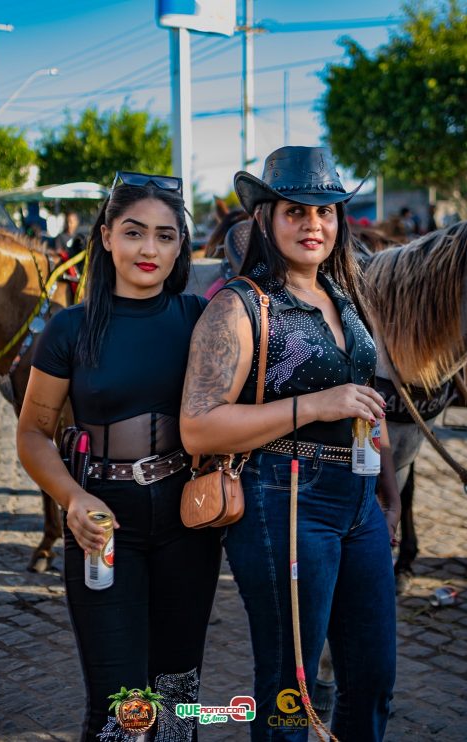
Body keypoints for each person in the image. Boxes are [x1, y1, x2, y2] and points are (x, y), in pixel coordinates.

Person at [180, 146, 400, 741]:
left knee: (374, 676)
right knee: (289, 689)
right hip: (284, 497)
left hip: (360, 503)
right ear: (266, 219)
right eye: (296, 211)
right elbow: (198, 426)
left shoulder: (346, 298)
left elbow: (362, 402)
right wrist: (314, 406)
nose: (314, 224)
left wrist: (388, 490)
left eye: (326, 212)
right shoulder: (241, 306)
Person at [17, 172, 222, 741]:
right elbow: (32, 433)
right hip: (104, 527)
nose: (148, 249)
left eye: (164, 235)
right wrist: (73, 499)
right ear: (106, 237)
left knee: (179, 703)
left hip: (189, 524)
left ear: (182, 244)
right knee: (123, 714)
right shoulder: (69, 328)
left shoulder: (199, 321)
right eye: (134, 233)